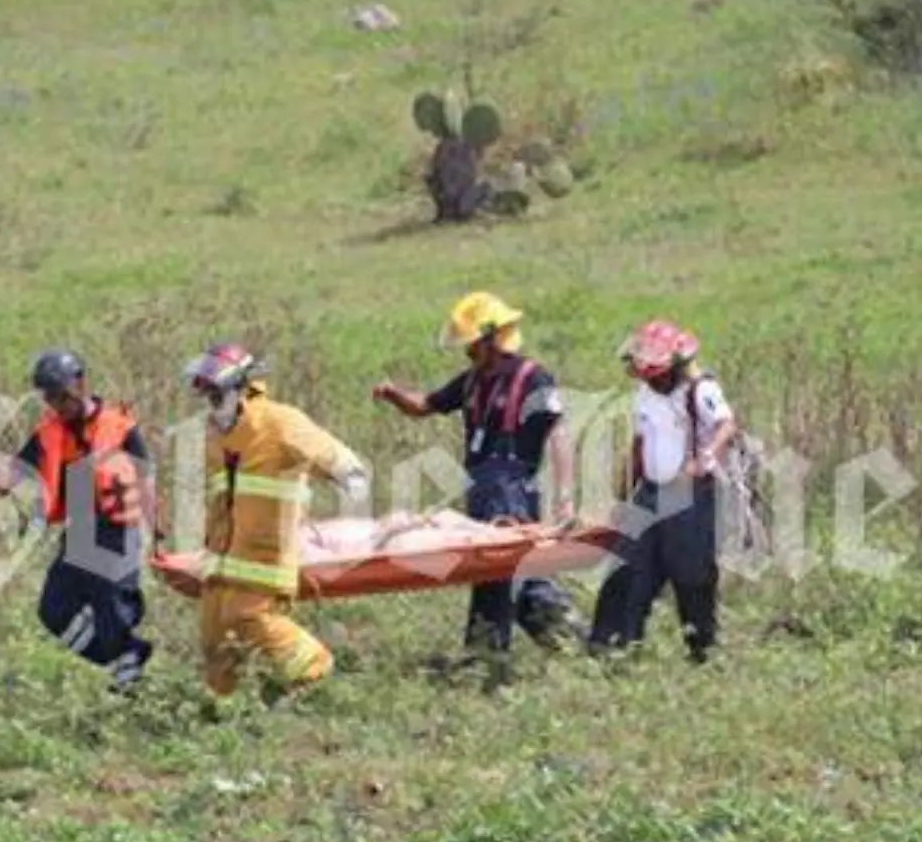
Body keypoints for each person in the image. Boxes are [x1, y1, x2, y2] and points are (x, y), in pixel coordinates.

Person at [371, 291, 584, 677]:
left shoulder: (532, 377)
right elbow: (425, 405)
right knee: (492, 573)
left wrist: (566, 498)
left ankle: (572, 643)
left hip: (513, 489)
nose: (466, 353)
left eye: (471, 345)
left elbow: (558, 433)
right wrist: (393, 394)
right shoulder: (472, 381)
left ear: (491, 338)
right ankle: (489, 654)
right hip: (482, 490)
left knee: (514, 573)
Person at [0, 348, 159, 692]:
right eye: (50, 397)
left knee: (113, 612)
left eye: (62, 394)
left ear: (81, 383)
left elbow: (146, 479)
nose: (57, 403)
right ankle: (122, 660)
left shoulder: (120, 426)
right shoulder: (49, 433)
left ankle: (131, 685)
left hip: (116, 529)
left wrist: (158, 531)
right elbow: (15, 472)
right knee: (55, 610)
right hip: (79, 528)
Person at [185, 342, 371, 702]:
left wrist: (349, 477)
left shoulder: (279, 421)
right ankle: (227, 709)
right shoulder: (216, 435)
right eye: (206, 394)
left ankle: (314, 667)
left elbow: (331, 454)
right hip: (222, 559)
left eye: (215, 392)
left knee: (247, 617)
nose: (210, 401)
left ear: (240, 387)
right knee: (213, 635)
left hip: (264, 560)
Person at [588, 320, 738, 664]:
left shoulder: (700, 390)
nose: (650, 380)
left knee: (691, 576)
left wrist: (707, 456)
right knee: (626, 569)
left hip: (689, 496)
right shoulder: (644, 395)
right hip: (651, 493)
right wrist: (623, 493)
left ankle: (703, 653)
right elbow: (641, 444)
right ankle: (613, 649)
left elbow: (726, 424)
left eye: (655, 374)